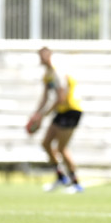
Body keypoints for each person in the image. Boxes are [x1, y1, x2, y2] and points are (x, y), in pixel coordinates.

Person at [32, 47, 84, 194]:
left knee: (61, 148)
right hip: (61, 111)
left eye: (43, 56)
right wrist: (36, 114)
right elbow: (45, 97)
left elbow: (61, 98)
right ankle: (61, 178)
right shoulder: (47, 75)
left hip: (71, 110)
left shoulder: (58, 71)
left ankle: (76, 183)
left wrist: (43, 116)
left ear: (48, 56)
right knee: (46, 143)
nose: (41, 59)